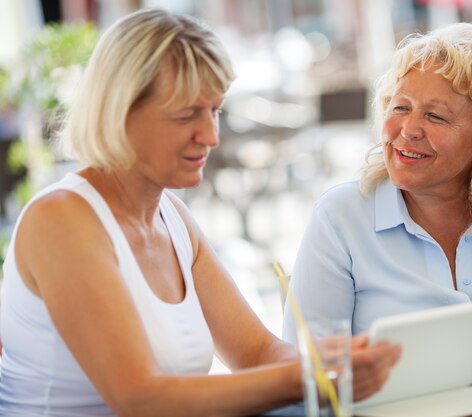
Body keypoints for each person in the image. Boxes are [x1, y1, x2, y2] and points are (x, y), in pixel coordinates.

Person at [0, 8, 402, 416]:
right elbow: (140, 399)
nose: (210, 136)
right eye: (187, 115)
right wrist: (303, 378)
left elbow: (258, 351)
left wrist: (331, 365)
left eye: (214, 111)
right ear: (119, 113)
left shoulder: (170, 216)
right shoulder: (62, 221)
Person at [283, 22, 472, 358]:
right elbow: (309, 369)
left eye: (435, 117)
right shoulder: (340, 217)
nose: (408, 130)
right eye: (400, 107)